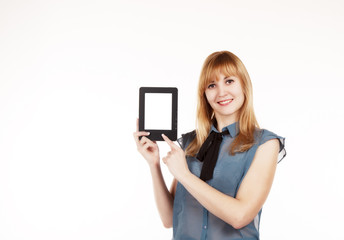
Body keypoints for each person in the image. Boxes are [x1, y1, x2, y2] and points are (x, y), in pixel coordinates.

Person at [133, 51, 286, 240]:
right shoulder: (191, 142)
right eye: (212, 85)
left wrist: (184, 175)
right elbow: (169, 219)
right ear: (204, 94)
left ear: (244, 85)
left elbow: (240, 216)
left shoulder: (264, 144)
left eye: (229, 81)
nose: (221, 92)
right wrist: (153, 164)